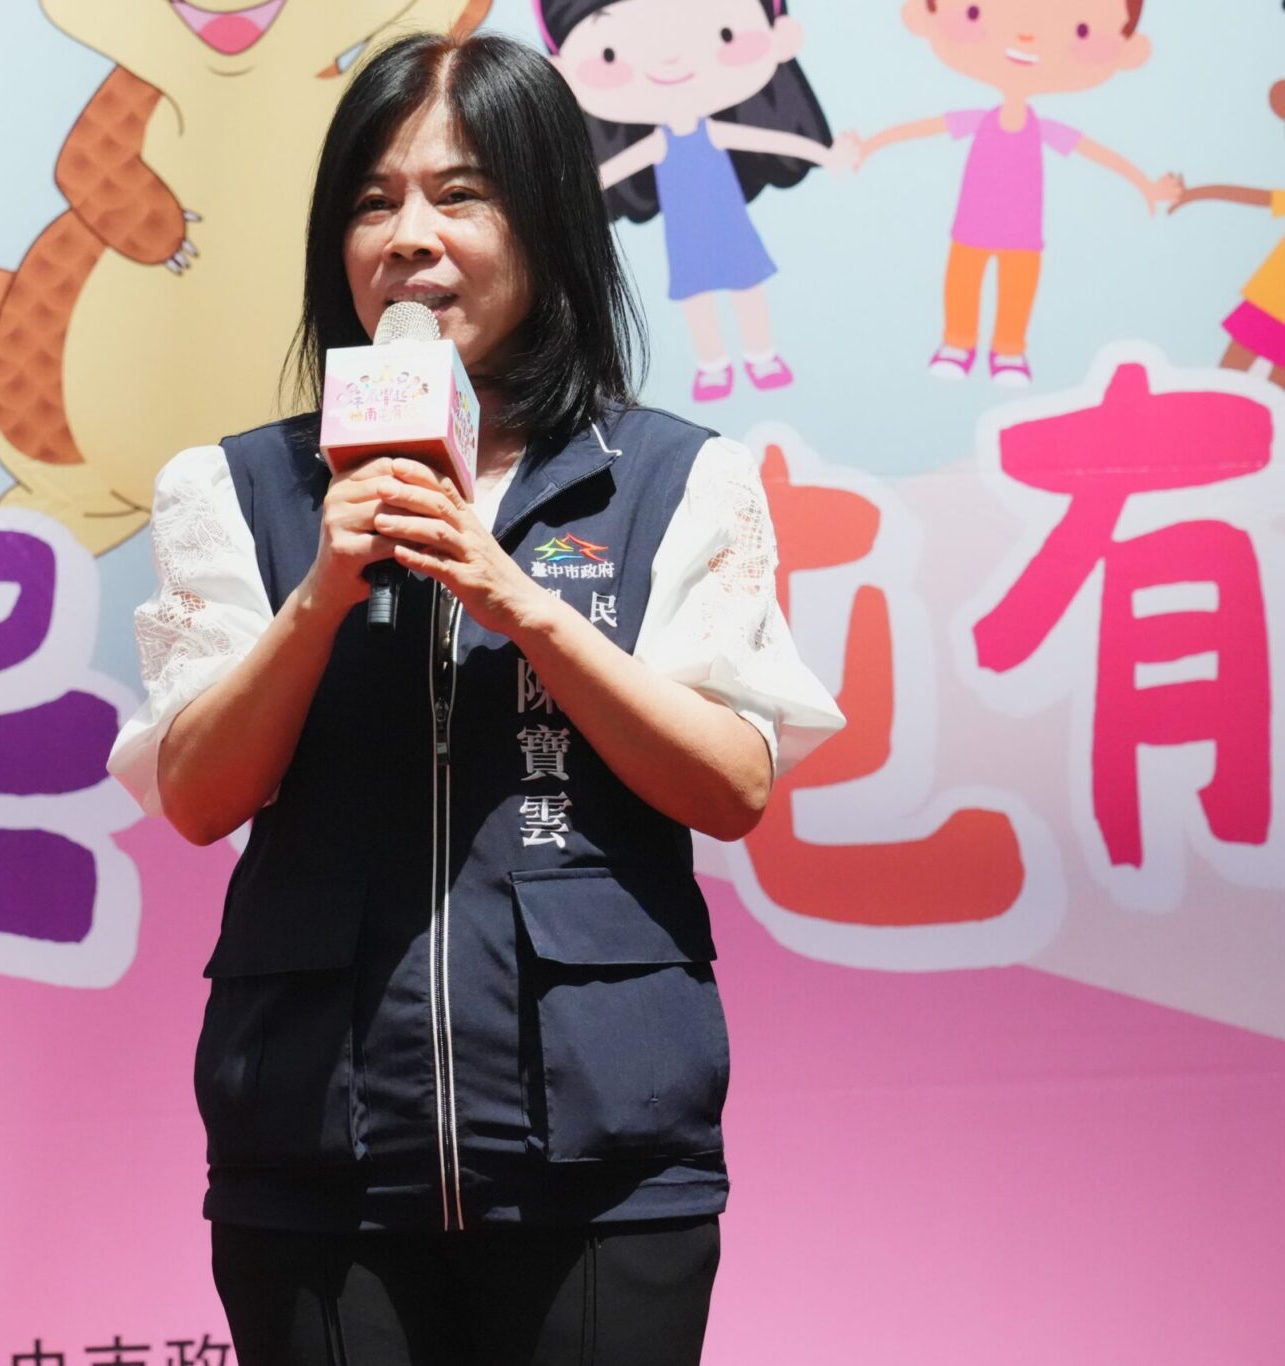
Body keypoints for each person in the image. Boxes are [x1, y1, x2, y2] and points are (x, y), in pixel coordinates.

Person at [108, 31, 844, 1366]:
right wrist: (318, 594)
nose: (410, 238)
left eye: (460, 195)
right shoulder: (237, 489)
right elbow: (200, 798)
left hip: (602, 1155)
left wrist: (523, 604)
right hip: (316, 1154)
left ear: (549, 220)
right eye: (372, 201)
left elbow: (732, 784)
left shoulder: (676, 480)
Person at [536, 0, 855, 402]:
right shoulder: (661, 142)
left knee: (747, 284)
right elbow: (610, 174)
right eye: (610, 54)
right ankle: (713, 363)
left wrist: (825, 154)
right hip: (687, 234)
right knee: (696, 297)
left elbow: (764, 140)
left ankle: (760, 354)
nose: (669, 58)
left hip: (730, 225)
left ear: (781, 36)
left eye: (726, 34)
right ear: (562, 72)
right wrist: (559, 197)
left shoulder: (712, 132)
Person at [849, 0, 1178, 386]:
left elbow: (1095, 152)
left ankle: (1009, 349)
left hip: (1022, 233)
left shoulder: (1042, 129)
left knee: (1017, 291)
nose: (1026, 36)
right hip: (971, 227)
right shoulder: (980, 120)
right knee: (962, 283)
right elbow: (922, 128)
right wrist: (871, 145)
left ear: (1128, 51)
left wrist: (1144, 183)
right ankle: (958, 342)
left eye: (1082, 31)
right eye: (974, 13)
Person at [1169, 79, 1285, 384]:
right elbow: (1255, 197)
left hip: (1270, 300)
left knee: (1271, 390)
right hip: (1270, 300)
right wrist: (1195, 193)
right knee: (1231, 377)